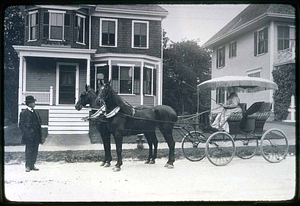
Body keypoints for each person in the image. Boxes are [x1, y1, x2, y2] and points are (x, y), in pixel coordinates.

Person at [19, 95, 42, 172]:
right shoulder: (24, 113)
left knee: (35, 149)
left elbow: (39, 122)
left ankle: (32, 165)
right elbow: (21, 125)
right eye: (33, 102)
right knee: (29, 150)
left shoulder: (36, 112)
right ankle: (27, 166)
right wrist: (27, 133)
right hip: (29, 134)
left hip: (36, 134)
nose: (34, 103)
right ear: (29, 103)